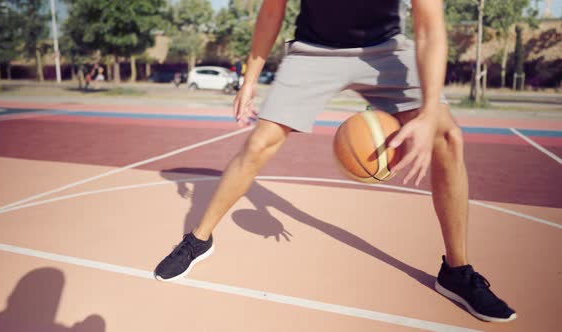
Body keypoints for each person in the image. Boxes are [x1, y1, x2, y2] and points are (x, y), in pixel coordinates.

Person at [154, 0, 516, 323]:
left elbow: (429, 27)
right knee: (259, 143)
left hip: (386, 50)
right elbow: (271, 9)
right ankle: (199, 240)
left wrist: (429, 112)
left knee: (448, 137)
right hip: (313, 52)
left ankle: (456, 270)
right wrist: (250, 79)